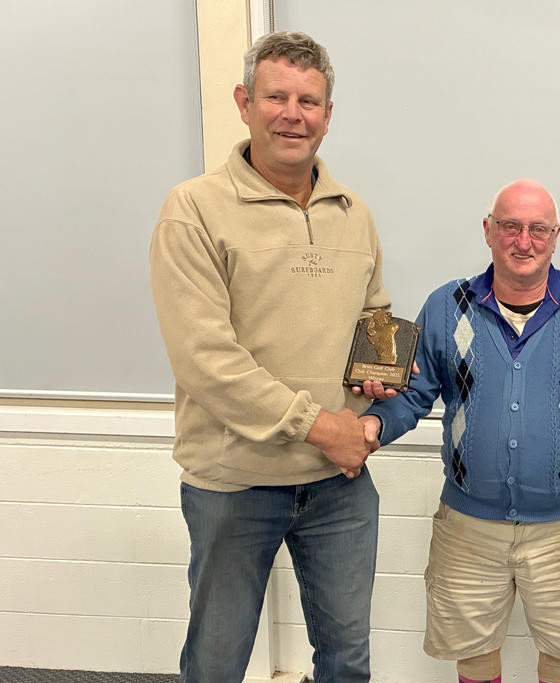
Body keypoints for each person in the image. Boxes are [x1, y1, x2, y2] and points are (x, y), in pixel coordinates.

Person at [150, 31, 398, 683]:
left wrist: (380, 379)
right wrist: (323, 426)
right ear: (244, 101)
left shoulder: (354, 213)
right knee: (217, 660)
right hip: (234, 481)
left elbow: (375, 315)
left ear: (328, 112)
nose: (294, 113)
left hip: (337, 484)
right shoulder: (194, 211)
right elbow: (206, 359)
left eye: (310, 100)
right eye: (277, 96)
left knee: (347, 658)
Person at [361, 179, 560, 683]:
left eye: (539, 229)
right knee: (472, 653)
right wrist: (368, 427)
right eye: (511, 226)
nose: (524, 241)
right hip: (468, 527)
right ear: (488, 231)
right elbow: (413, 396)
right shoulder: (445, 307)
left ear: (556, 237)